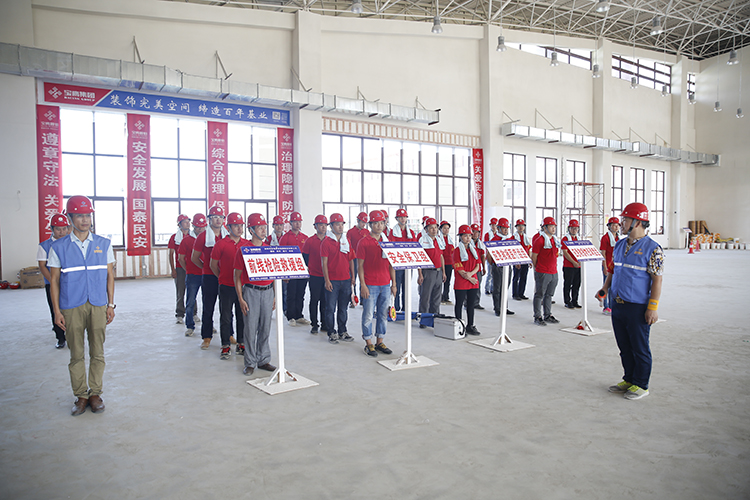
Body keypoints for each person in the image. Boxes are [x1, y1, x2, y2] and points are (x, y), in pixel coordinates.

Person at [48, 195, 115, 416]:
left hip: (97, 304)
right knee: (76, 353)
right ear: (70, 218)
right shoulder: (58, 247)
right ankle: (81, 395)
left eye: (88, 215)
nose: (85, 220)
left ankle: (95, 393)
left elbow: (110, 276)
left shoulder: (103, 244)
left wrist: (110, 304)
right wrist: (57, 311)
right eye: (79, 215)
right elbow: (54, 280)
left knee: (98, 351)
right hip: (71, 306)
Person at [599, 203, 664, 400]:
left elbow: (657, 280)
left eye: (625, 220)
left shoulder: (653, 249)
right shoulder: (620, 245)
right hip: (618, 304)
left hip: (638, 307)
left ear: (637, 222)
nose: (621, 223)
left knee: (639, 347)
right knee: (624, 346)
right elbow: (613, 269)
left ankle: (641, 384)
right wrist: (605, 288)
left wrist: (652, 307)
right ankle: (629, 379)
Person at [234, 213, 277, 375]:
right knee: (250, 328)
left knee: (265, 327)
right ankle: (250, 362)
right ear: (251, 230)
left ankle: (263, 360)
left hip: (268, 292)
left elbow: (273, 274)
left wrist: (274, 296)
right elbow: (237, 276)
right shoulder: (244, 250)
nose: (264, 230)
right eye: (259, 227)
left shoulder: (268, 249)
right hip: (251, 292)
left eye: (265, 227)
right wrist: (241, 298)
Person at [357, 210, 397, 357]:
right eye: (376, 223)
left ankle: (380, 341)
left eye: (381, 223)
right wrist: (363, 285)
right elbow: (360, 266)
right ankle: (369, 343)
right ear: (370, 224)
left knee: (383, 314)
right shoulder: (364, 242)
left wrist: (394, 284)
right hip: (370, 284)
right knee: (368, 315)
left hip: (385, 284)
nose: (379, 226)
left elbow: (391, 264)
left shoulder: (387, 242)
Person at [210, 212, 248, 360]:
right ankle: (225, 345)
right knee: (226, 316)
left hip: (243, 286)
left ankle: (241, 343)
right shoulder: (221, 244)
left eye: (241, 225)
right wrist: (222, 277)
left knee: (242, 315)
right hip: (226, 286)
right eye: (236, 226)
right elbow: (213, 265)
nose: (239, 229)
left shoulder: (246, 244)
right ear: (228, 227)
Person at [192, 205, 229, 350]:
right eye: (215, 217)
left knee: (226, 308)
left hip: (225, 276)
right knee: (208, 307)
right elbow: (194, 258)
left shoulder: (227, 235)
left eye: (220, 217)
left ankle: (229, 334)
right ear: (209, 219)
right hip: (209, 277)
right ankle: (206, 337)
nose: (218, 220)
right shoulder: (202, 237)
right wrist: (205, 268)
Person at [321, 213, 357, 344]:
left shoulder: (346, 241)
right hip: (333, 281)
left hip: (346, 280)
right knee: (330, 308)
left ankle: (342, 331)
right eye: (337, 224)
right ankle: (331, 332)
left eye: (342, 224)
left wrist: (353, 276)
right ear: (331, 226)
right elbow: (324, 263)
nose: (340, 227)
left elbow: (351, 259)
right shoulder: (326, 242)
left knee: (343, 308)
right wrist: (327, 280)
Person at [37, 213, 70, 349]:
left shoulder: (71, 244)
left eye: (64, 228)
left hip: (70, 283)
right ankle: (60, 338)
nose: (61, 232)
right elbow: (42, 266)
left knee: (72, 310)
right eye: (58, 229)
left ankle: (72, 335)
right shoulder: (44, 246)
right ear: (52, 229)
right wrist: (54, 282)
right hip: (52, 284)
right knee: (55, 310)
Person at [279, 211, 309, 327]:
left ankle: (299, 315)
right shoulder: (285, 238)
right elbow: (282, 257)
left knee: (300, 293)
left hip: (302, 270)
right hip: (290, 270)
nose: (297, 224)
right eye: (295, 222)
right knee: (291, 294)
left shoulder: (305, 238)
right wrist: (284, 274)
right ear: (291, 223)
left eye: (299, 222)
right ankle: (290, 316)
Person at [302, 214, 330, 335]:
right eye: (321, 225)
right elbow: (305, 257)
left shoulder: (329, 240)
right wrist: (311, 267)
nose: (323, 227)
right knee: (314, 300)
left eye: (325, 225)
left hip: (327, 276)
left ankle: (324, 324)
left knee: (325, 301)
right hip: (314, 275)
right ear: (315, 226)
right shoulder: (310, 241)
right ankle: (314, 324)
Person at [178, 213, 205, 337]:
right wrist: (188, 269)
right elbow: (181, 258)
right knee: (190, 302)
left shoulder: (209, 239)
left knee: (208, 302)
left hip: (207, 275)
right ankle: (190, 326)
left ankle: (208, 325)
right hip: (193, 275)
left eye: (203, 227)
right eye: (198, 227)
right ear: (193, 226)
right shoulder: (187, 240)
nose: (200, 229)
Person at [453, 224, 482, 335]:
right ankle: (459, 326)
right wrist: (469, 277)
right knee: (459, 304)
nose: (468, 238)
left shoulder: (474, 250)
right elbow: (458, 267)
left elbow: (478, 265)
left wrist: (471, 275)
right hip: (462, 280)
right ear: (460, 237)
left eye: (469, 235)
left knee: (471, 305)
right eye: (465, 236)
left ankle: (470, 325)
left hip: (473, 280)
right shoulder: (457, 251)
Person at [530, 216, 560, 326]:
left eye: (554, 226)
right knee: (539, 295)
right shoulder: (539, 240)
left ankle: (547, 314)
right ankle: (537, 316)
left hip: (553, 271)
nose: (553, 228)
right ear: (544, 227)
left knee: (549, 295)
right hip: (543, 271)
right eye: (551, 226)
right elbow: (534, 257)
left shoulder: (555, 240)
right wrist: (538, 269)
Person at [417, 218, 446, 322]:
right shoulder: (422, 240)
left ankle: (435, 319)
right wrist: (420, 274)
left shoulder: (439, 240)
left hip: (438, 272)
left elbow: (441, 256)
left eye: (435, 227)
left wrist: (443, 272)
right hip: (427, 272)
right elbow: (419, 257)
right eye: (431, 228)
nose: (434, 230)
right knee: (425, 297)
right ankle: (424, 320)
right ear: (426, 229)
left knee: (436, 298)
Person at [389, 208, 416, 312]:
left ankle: (406, 309)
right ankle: (395, 308)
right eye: (400, 217)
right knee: (396, 287)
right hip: (397, 265)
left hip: (408, 265)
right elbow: (392, 247)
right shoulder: (393, 232)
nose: (403, 219)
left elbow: (414, 247)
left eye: (404, 217)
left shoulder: (411, 232)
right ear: (396, 218)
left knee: (407, 288)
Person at [488, 218, 515, 317]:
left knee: (505, 288)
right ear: (498, 228)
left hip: (508, 266)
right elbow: (489, 256)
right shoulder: (494, 240)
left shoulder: (510, 239)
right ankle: (497, 308)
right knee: (497, 288)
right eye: (504, 228)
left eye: (507, 228)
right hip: (498, 267)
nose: (506, 230)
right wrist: (493, 266)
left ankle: (504, 307)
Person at [168, 214, 191, 324]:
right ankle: (180, 314)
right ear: (179, 224)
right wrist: (173, 269)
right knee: (180, 291)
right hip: (180, 268)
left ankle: (193, 313)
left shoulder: (193, 236)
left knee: (192, 290)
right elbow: (171, 254)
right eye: (185, 221)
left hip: (191, 267)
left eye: (188, 221)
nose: (187, 223)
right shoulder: (174, 238)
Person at [265, 215, 287, 316]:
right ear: (273, 226)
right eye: (277, 225)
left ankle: (285, 310)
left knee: (284, 291)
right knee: (272, 291)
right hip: (272, 268)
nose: (279, 227)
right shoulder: (268, 239)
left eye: (281, 225)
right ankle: (271, 308)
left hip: (283, 267)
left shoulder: (286, 237)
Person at [347, 212, 369, 308]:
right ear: (358, 221)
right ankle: (352, 299)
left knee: (363, 278)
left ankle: (363, 298)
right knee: (352, 279)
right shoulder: (351, 232)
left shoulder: (367, 232)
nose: (363, 224)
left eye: (365, 223)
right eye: (362, 222)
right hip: (354, 258)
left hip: (365, 259)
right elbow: (348, 245)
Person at [600, 217, 621, 315]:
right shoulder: (605, 238)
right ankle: (606, 306)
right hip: (608, 265)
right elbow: (603, 254)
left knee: (614, 287)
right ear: (609, 226)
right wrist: (604, 267)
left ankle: (612, 306)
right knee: (606, 286)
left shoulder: (618, 238)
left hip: (616, 266)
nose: (616, 227)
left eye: (617, 225)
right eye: (613, 225)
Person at [561, 219, 582, 309]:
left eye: (576, 228)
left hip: (578, 265)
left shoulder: (578, 239)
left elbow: (581, 251)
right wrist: (574, 262)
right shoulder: (565, 239)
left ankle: (574, 301)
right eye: (572, 228)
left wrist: (580, 261)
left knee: (577, 284)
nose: (574, 230)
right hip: (568, 266)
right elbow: (565, 252)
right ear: (568, 228)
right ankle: (567, 301)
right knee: (568, 284)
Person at [512, 219, 531, 301]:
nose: (521, 227)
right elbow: (513, 250)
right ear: (516, 227)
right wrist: (516, 261)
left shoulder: (525, 237)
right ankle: (515, 294)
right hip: (517, 259)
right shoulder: (514, 237)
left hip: (525, 260)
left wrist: (529, 260)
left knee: (523, 277)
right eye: (519, 226)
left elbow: (528, 248)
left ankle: (521, 293)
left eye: (522, 226)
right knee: (516, 277)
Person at [470, 224, 486, 310]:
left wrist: (484, 267)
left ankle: (476, 303)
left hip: (478, 269)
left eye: (477, 232)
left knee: (477, 286)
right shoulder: (466, 243)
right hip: (469, 269)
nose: (475, 234)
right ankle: (467, 303)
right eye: (473, 231)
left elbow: (483, 256)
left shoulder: (480, 244)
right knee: (468, 286)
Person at [439, 221, 455, 305]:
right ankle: (439, 297)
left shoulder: (450, 239)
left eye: (448, 228)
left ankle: (446, 297)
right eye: (444, 228)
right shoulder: (438, 238)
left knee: (447, 281)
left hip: (449, 263)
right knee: (440, 281)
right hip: (441, 263)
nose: (446, 230)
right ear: (440, 229)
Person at [483, 218, 499, 295]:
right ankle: (487, 288)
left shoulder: (499, 234)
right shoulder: (487, 235)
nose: (494, 227)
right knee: (490, 273)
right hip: (490, 256)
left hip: (497, 256)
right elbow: (487, 245)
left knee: (495, 274)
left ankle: (493, 288)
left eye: (495, 225)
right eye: (492, 225)